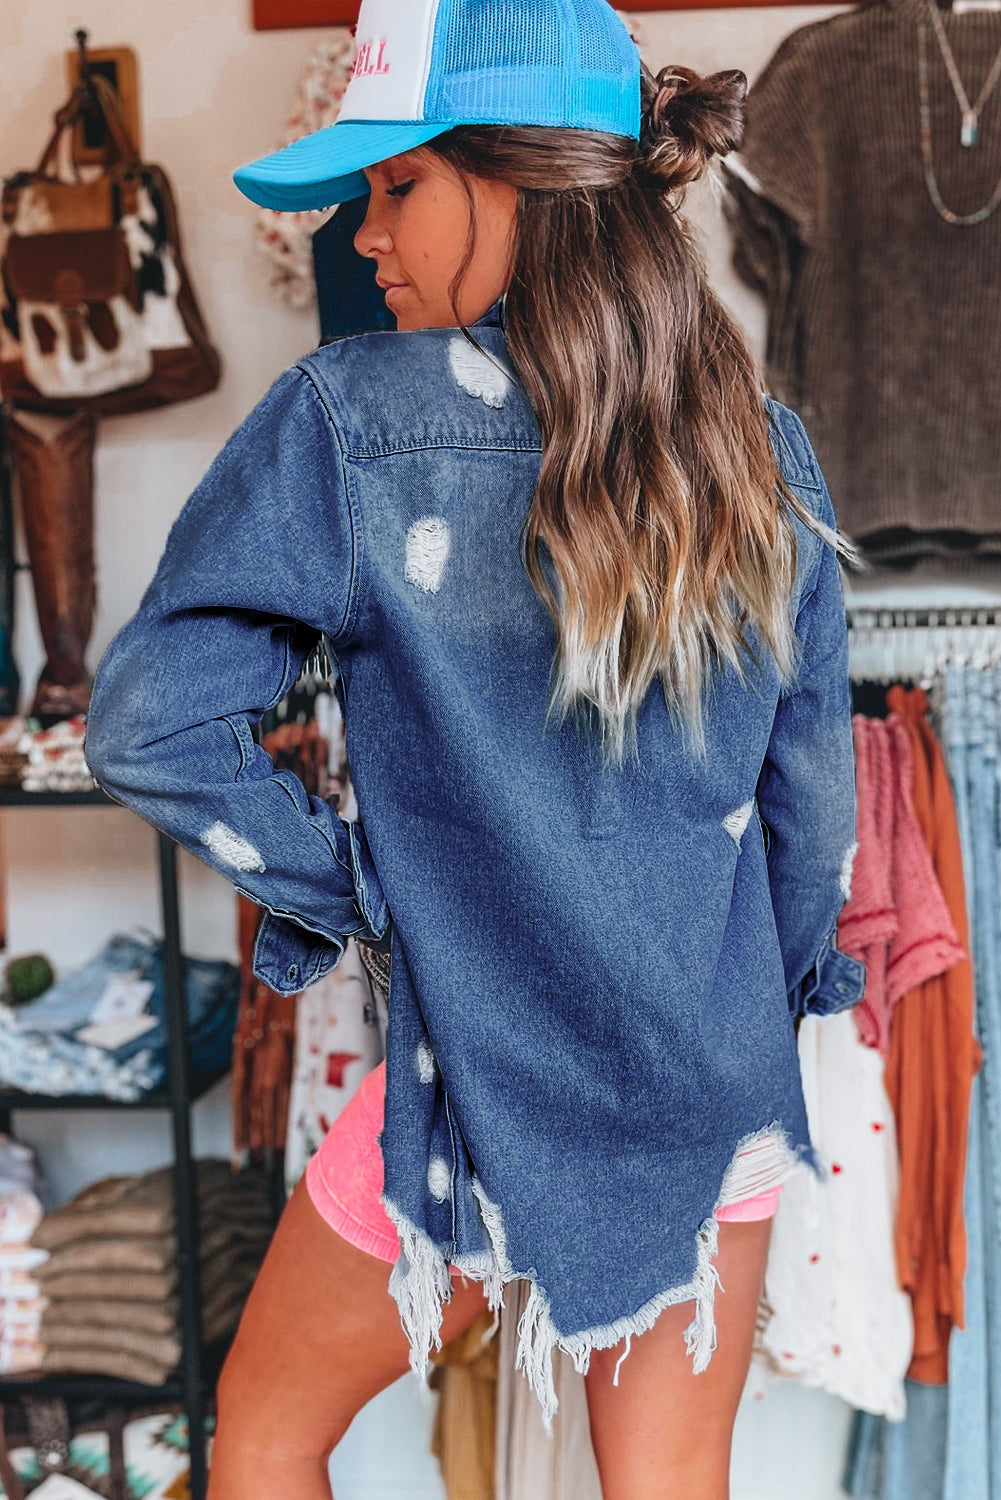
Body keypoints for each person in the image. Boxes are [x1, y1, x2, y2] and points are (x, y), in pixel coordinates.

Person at [84, 1, 865, 1496]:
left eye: (398, 185)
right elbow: (809, 828)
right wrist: (712, 1024)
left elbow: (149, 725)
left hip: (470, 1092)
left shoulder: (348, 424)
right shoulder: (760, 449)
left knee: (265, 1434)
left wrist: (362, 893)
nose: (361, 234)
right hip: (705, 1096)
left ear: (523, 182)